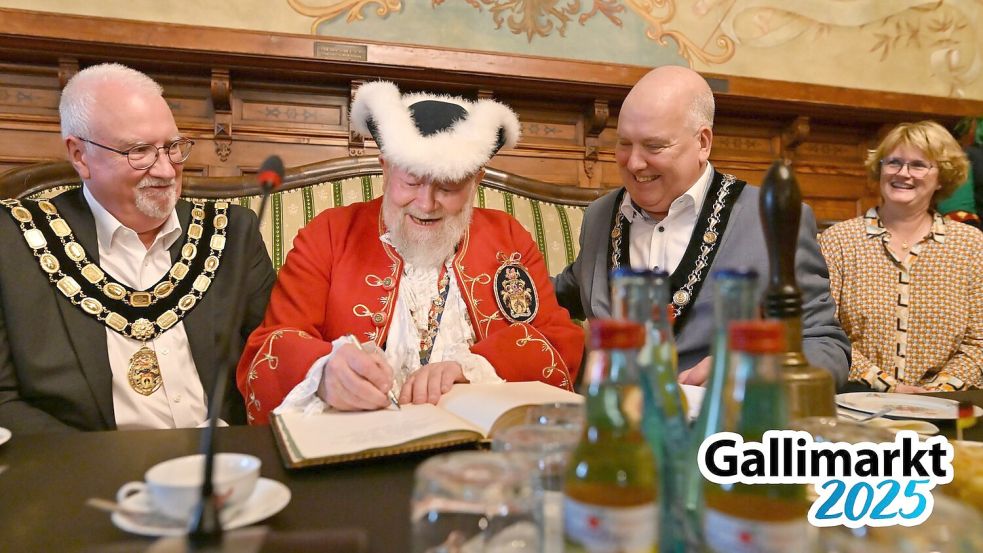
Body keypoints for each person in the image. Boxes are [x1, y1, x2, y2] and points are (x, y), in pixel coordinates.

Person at [237, 81, 584, 424]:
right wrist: (322, 372)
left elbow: (558, 340)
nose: (426, 204)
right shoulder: (328, 234)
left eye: (448, 187)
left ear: (476, 180)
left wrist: (472, 368)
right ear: (385, 167)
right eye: (411, 182)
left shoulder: (508, 237)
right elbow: (271, 349)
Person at [0, 63, 276, 433]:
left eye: (173, 147)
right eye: (139, 151)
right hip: (90, 478)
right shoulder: (15, 241)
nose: (165, 170)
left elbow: (272, 356)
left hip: (224, 465)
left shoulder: (233, 233)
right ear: (80, 155)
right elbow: (3, 400)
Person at [553, 65, 850, 386]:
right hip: (613, 426)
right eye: (624, 144)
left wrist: (758, 373)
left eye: (654, 146)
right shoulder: (599, 216)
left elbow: (824, 343)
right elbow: (558, 292)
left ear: (703, 142)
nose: (634, 163)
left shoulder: (771, 220)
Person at [819, 121, 983, 392]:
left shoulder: (971, 246)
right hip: (856, 403)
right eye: (893, 162)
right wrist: (887, 386)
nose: (903, 173)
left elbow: (979, 342)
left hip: (943, 410)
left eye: (918, 165)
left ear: (942, 176)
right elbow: (824, 331)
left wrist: (934, 392)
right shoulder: (839, 241)